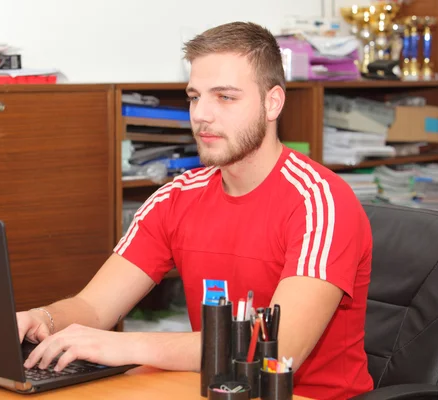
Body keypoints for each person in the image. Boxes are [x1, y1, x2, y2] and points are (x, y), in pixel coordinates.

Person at [19, 21, 374, 399]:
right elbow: (93, 307)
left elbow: (279, 347)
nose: (202, 114)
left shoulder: (320, 201)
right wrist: (41, 319)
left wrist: (128, 346)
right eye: (194, 96)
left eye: (224, 97)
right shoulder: (176, 197)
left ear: (273, 103)